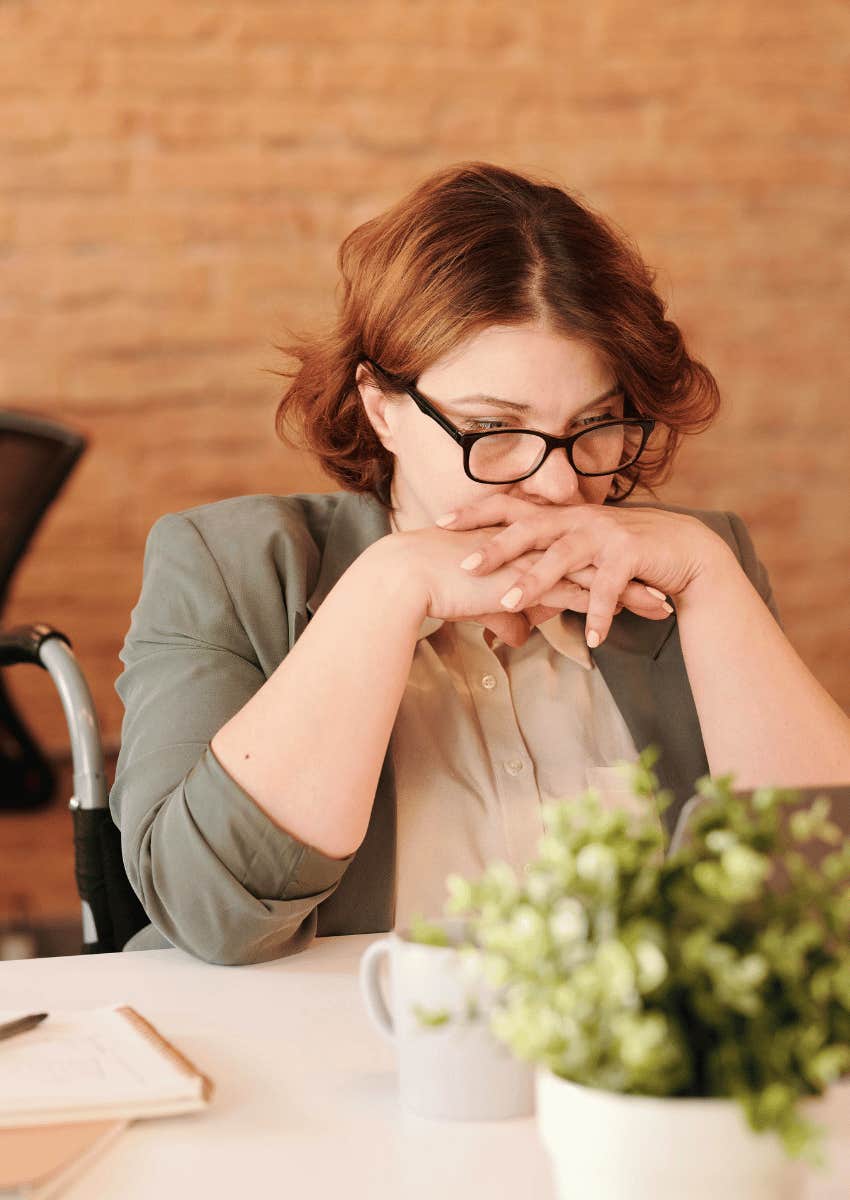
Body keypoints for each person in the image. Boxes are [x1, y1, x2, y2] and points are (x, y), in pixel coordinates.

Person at [111, 161, 850, 965]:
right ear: (382, 406)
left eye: (596, 423)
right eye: (493, 428)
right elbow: (206, 912)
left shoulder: (692, 565)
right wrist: (392, 587)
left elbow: (826, 896)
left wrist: (708, 575)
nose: (561, 481)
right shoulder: (227, 567)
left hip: (626, 1081)